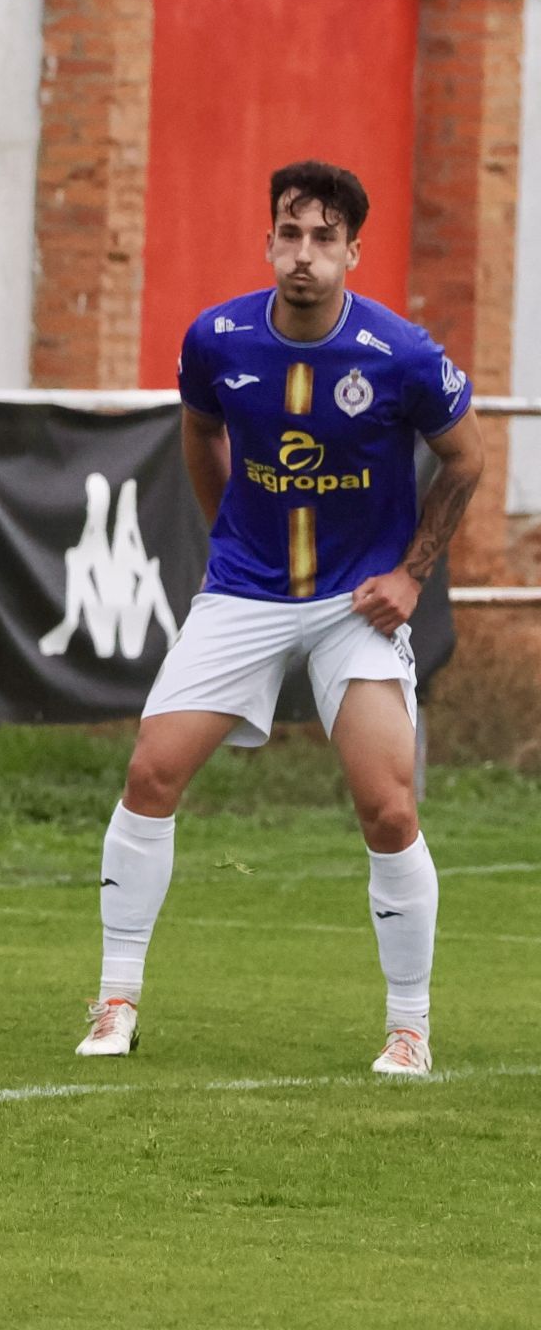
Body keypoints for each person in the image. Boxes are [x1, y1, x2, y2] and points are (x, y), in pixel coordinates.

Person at [73, 161, 484, 1077]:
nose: (304, 257)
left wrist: (412, 577)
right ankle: (114, 1002)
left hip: (354, 606)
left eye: (324, 240)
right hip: (247, 592)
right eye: (289, 236)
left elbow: (466, 459)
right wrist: (227, 538)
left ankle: (408, 1029)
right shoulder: (216, 338)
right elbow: (199, 429)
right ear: (268, 242)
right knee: (150, 771)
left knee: (386, 807)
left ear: (352, 253)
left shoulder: (401, 354)